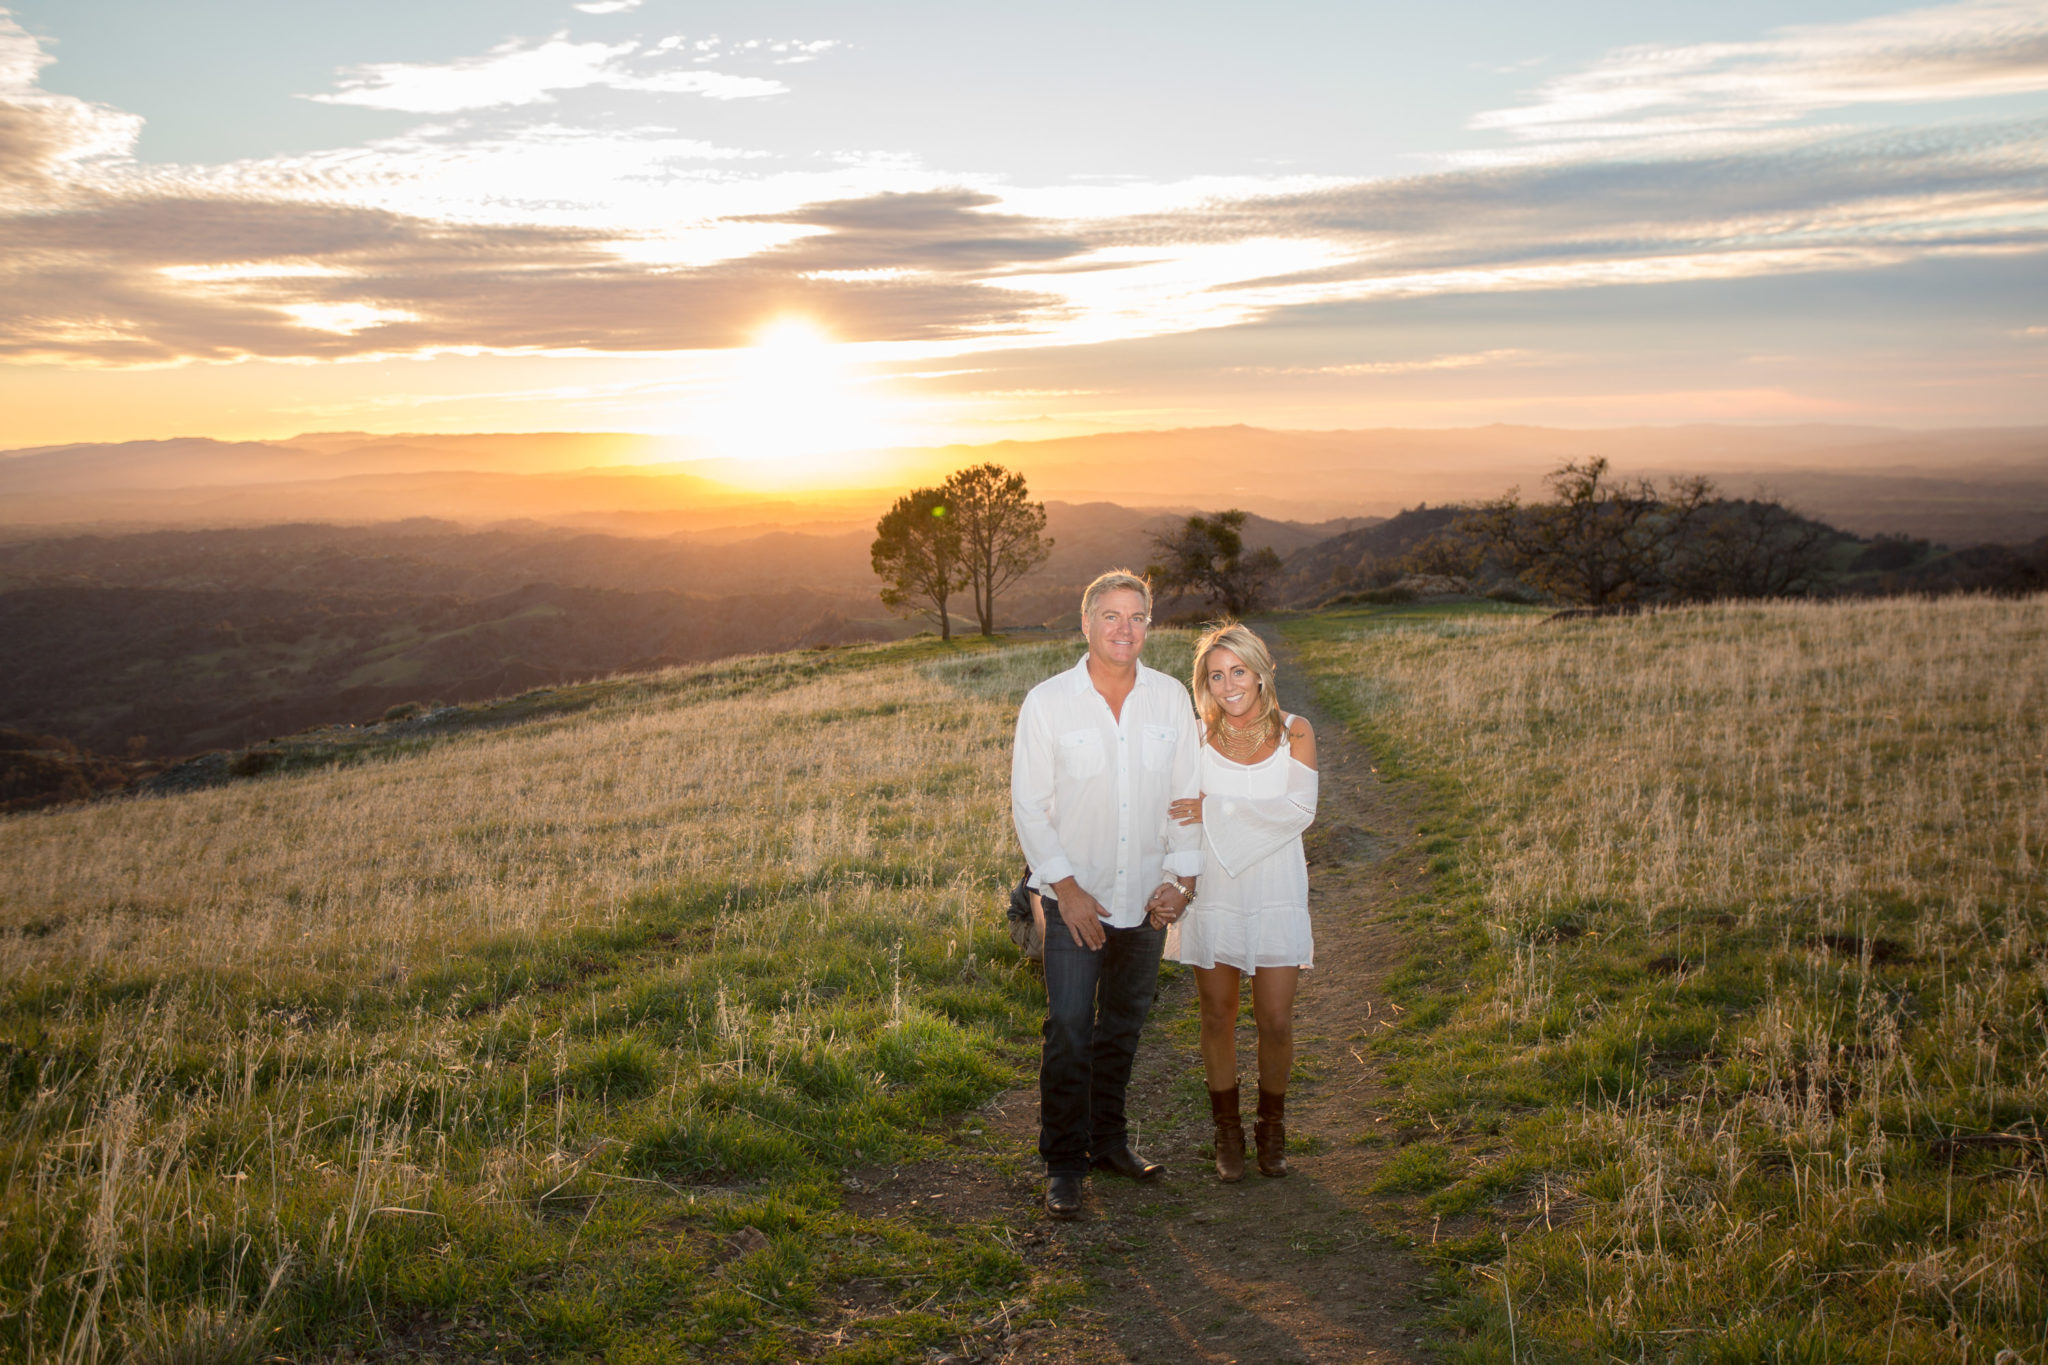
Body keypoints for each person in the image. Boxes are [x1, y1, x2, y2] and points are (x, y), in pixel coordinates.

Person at [1012, 570, 1202, 1219]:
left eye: (1138, 616)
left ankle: (1108, 1143)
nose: (1126, 629)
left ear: (1150, 624)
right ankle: (1064, 1163)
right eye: (1112, 616)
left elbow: (1186, 799)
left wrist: (1181, 881)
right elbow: (1031, 807)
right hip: (1076, 899)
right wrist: (1065, 890)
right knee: (1068, 1026)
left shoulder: (1171, 699)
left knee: (1123, 1025)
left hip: (1147, 896)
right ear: (1086, 624)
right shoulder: (1049, 703)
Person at [1168, 621, 1318, 1182]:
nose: (1229, 685)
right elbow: (1178, 813)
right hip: (1217, 891)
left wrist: (1218, 809)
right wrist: (1177, 882)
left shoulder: (1295, 731)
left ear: (1260, 671)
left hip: (1277, 888)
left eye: (1238, 671)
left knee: (1276, 1019)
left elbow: (1300, 811)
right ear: (1204, 683)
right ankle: (1226, 1132)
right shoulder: (1197, 738)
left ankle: (1271, 1127)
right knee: (1217, 1016)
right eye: (1215, 675)